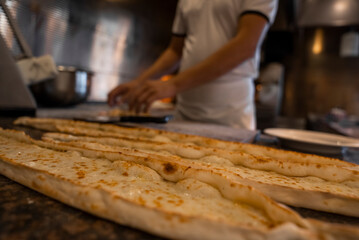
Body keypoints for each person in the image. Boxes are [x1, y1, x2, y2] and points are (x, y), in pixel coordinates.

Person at [108, 0, 278, 130]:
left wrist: (173, 85)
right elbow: (175, 51)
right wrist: (139, 83)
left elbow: (245, 46)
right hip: (185, 112)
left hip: (229, 116)